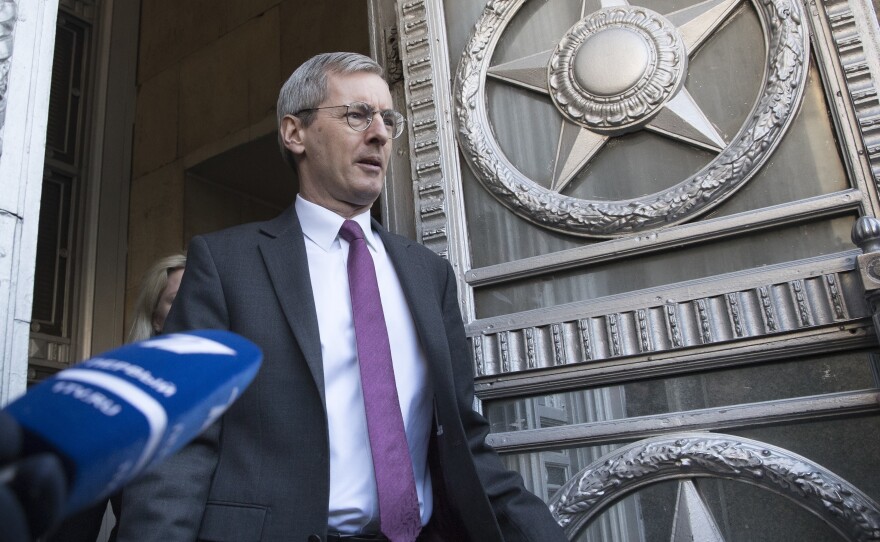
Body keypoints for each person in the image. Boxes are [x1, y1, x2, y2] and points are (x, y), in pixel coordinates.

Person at [116, 52, 567, 542]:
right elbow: (179, 444)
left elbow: (463, 440)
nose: (380, 134)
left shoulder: (428, 274)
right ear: (295, 133)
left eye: (388, 119)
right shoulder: (226, 266)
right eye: (357, 115)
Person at [46, 253, 186, 542]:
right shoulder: (117, 399)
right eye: (176, 300)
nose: (191, 307)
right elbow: (77, 524)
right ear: (155, 319)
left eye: (199, 296)